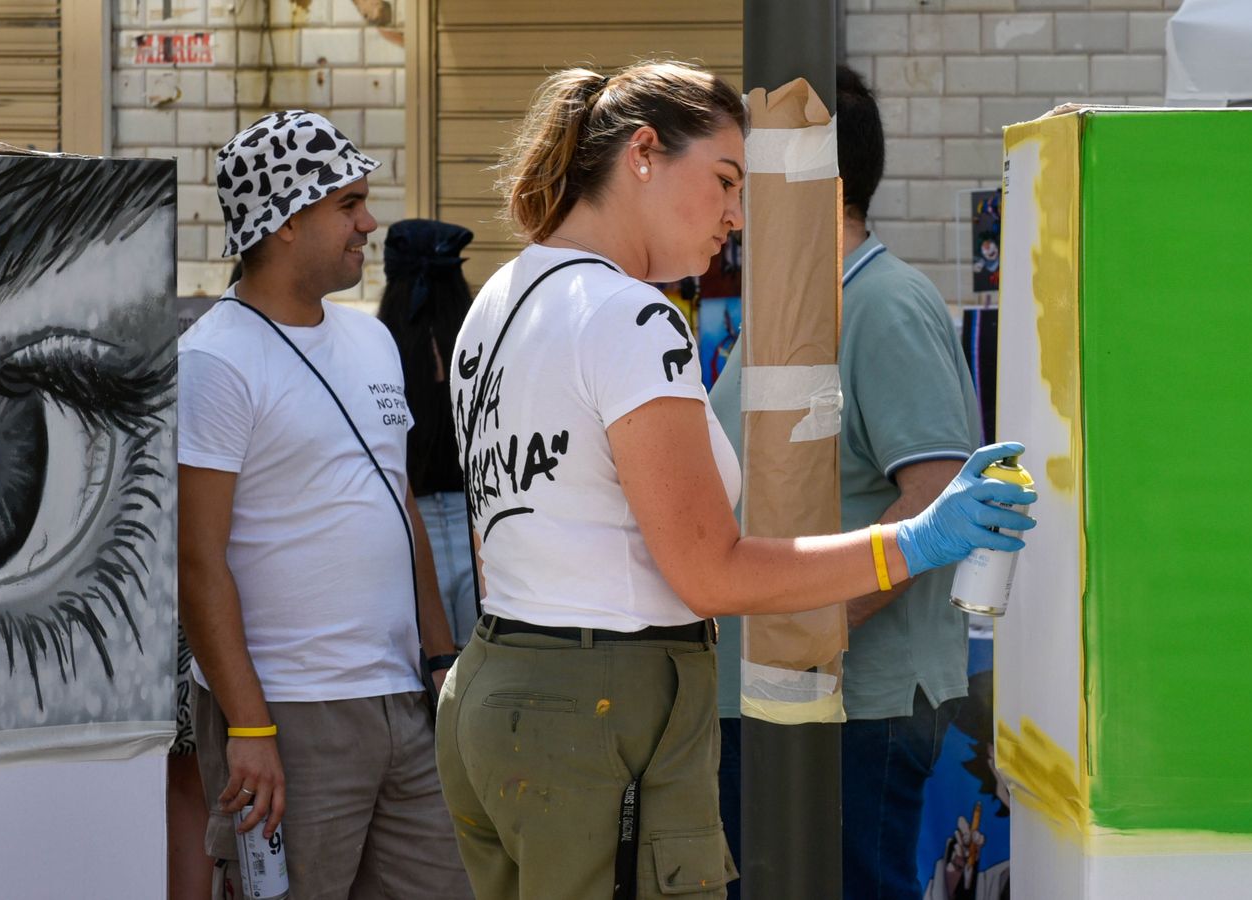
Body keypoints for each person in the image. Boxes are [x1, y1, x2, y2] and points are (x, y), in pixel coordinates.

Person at [435, 60, 1036, 900]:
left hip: (499, 687)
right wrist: (917, 539)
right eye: (723, 180)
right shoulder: (632, 315)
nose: (736, 215)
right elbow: (709, 572)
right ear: (642, 152)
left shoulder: (500, 297)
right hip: (608, 709)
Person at [177, 109, 471, 898]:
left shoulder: (371, 340)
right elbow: (197, 562)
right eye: (348, 204)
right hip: (288, 717)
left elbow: (399, 504)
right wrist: (248, 726)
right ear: (284, 221)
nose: (368, 222)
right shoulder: (215, 359)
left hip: (400, 701)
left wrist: (441, 662)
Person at [711, 65, 986, 900]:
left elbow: (937, 497)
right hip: (780, 694)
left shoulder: (885, 304)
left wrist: (810, 631)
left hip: (852, 705)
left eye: (738, 169)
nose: (728, 197)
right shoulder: (798, 300)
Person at [377, 218, 480, 649]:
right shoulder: (479, 339)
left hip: (408, 524)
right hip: (478, 525)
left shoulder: (378, 346)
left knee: (425, 675)